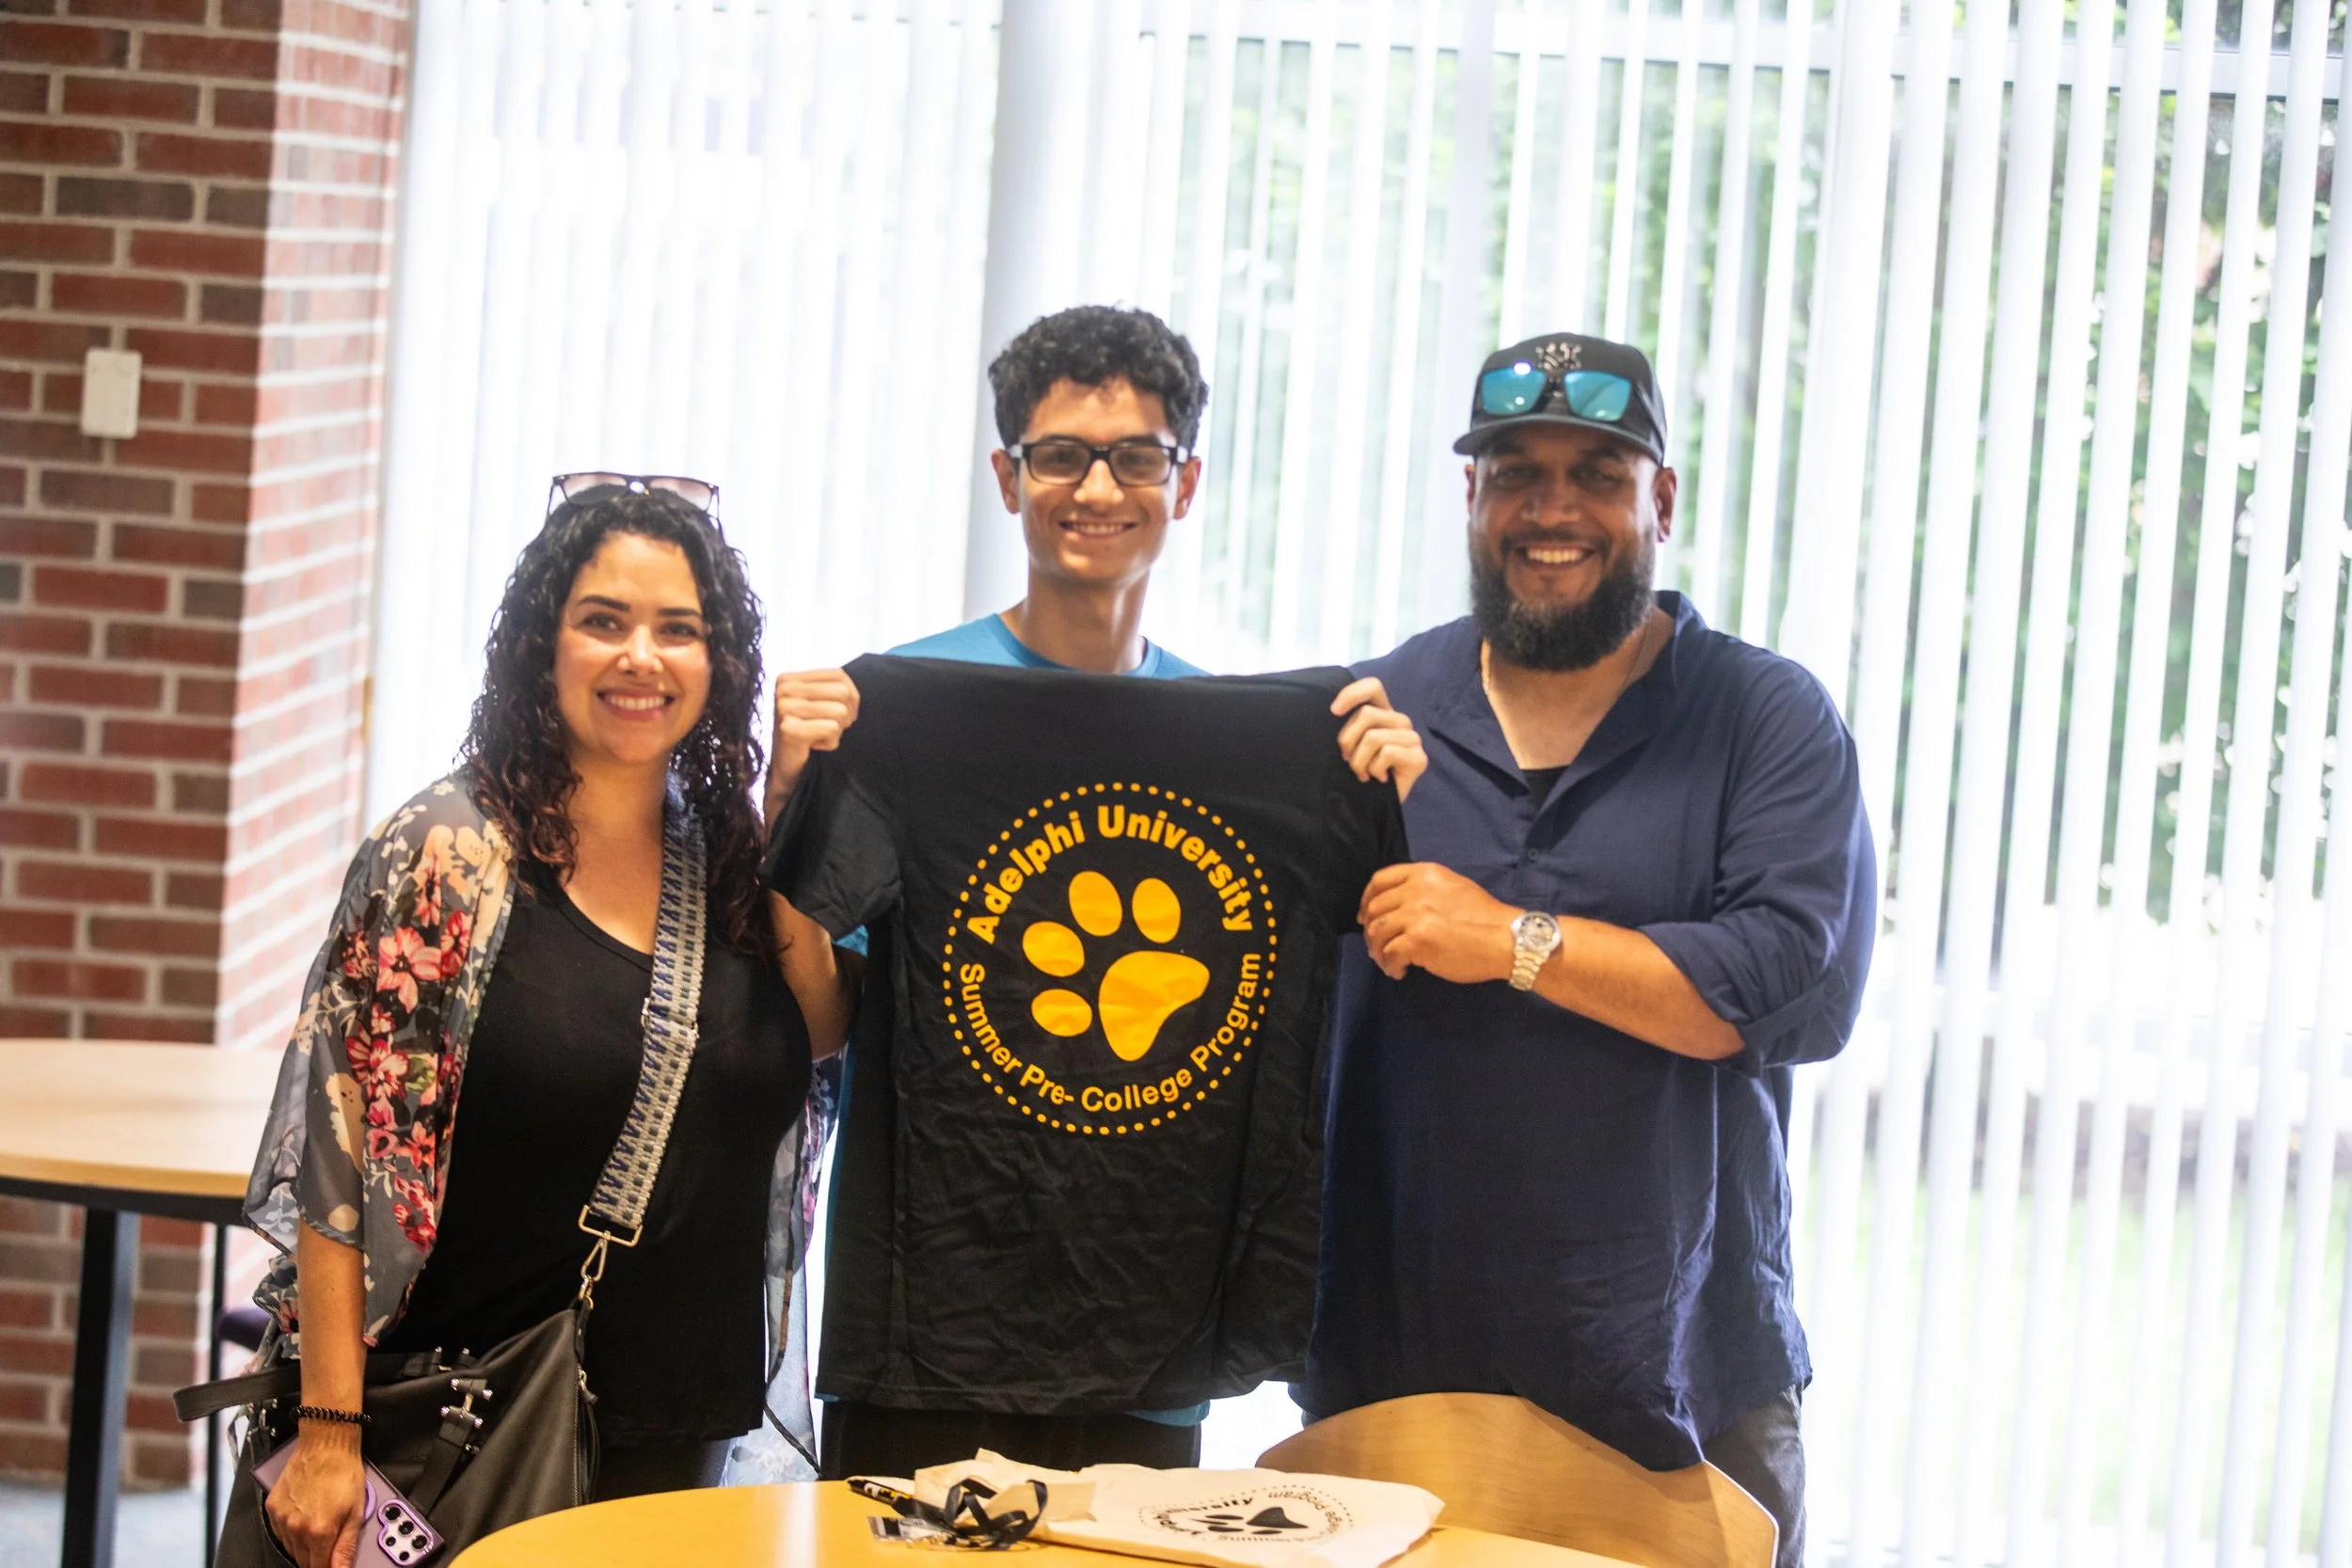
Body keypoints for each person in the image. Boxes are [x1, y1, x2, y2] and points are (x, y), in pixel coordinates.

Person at [763, 305, 1423, 1477]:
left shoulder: (1253, 750)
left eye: (1136, 455)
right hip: (929, 1335)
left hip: (1151, 1332)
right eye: (1060, 453)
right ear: (1008, 477)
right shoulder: (904, 716)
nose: (1097, 486)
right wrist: (786, 804)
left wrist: (1394, 800)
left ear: (1188, 479)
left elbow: (1396, 955)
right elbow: (817, 1022)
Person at [1302, 332, 1875, 1568]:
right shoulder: (1370, 714)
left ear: (1660, 499)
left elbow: (1766, 983)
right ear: (1471, 497)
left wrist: (1506, 938)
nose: (1551, 510)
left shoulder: (1763, 719)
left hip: (1685, 1383)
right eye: (1516, 471)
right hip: (1396, 1374)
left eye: (1598, 474)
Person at [246, 479, 841, 1568]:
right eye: (602, 620)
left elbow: (817, 1029)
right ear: (542, 643)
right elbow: (341, 1147)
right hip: (466, 1422)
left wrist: (790, 819)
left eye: (678, 629)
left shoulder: (725, 859)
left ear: (720, 665)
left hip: (681, 1428)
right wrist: (330, 1430)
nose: (640, 657)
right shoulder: (448, 854)